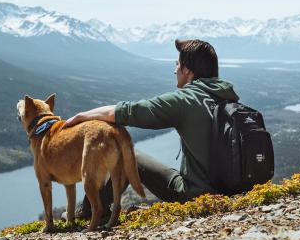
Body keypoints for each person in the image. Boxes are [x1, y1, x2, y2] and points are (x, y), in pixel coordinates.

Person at [62, 38, 239, 217]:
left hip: (196, 195)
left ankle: (90, 212)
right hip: (232, 190)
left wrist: (81, 116)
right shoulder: (227, 96)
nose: (175, 69)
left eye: (177, 64)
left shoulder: (186, 100)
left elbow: (128, 111)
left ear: (186, 70)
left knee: (126, 154)